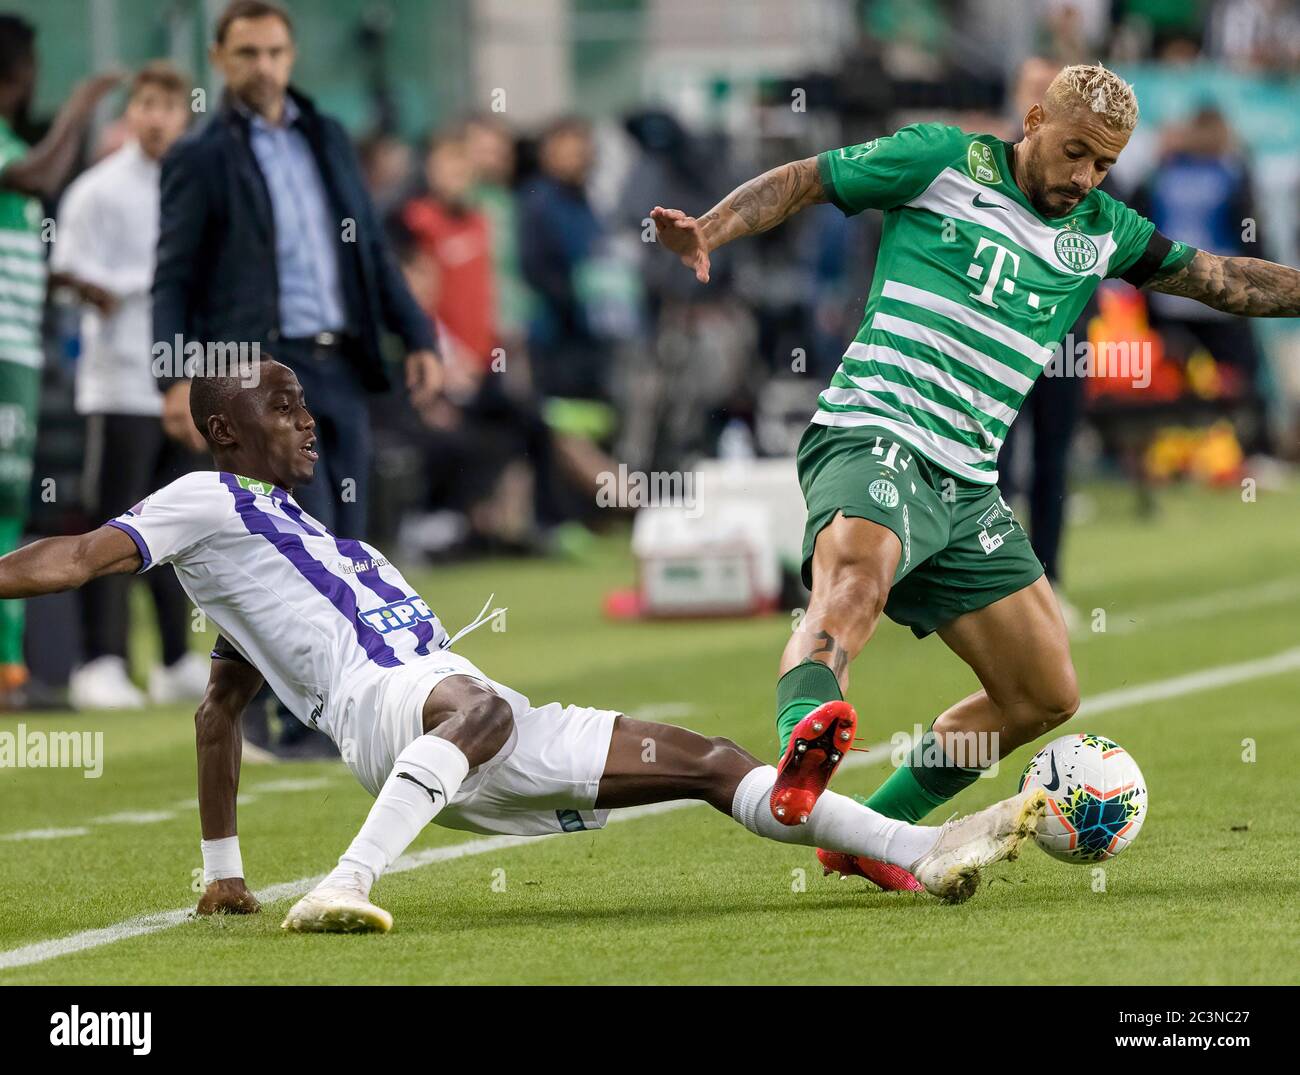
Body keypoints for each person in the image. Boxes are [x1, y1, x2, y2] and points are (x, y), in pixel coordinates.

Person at [0, 357, 1047, 929]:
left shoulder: (299, 549)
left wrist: (221, 871)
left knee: (713, 762)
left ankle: (920, 846)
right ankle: (347, 883)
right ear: (224, 432)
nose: (306, 422)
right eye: (282, 407)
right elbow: (80, 554)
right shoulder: (203, 496)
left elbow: (219, 706)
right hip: (402, 704)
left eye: (306, 404)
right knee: (478, 703)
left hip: (469, 721)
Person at [650, 63, 1300, 890]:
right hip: (873, 429)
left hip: (966, 480)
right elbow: (806, 180)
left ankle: (862, 835)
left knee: (1042, 693)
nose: (1082, 178)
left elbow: (1224, 279)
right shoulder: (940, 160)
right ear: (1032, 119)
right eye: (1072, 153)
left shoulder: (1105, 230)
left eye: (1103, 165)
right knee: (857, 578)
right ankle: (806, 729)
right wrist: (711, 226)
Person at [152, 0, 441, 539]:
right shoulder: (200, 156)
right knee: (304, 549)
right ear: (218, 58)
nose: (263, 65)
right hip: (259, 375)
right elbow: (172, 278)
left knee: (351, 541)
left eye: (275, 52)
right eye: (247, 53)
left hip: (340, 366)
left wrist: (419, 336)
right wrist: (171, 376)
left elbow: (371, 251)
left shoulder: (327, 136)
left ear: (292, 56)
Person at [50, 61, 209, 709]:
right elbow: (65, 268)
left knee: (181, 528)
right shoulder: (97, 189)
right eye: (144, 104)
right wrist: (105, 291)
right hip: (118, 384)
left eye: (168, 106)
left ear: (185, 115)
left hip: (185, 384)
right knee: (114, 525)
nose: (155, 117)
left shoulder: (199, 186)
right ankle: (101, 660)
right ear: (132, 111)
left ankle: (174, 658)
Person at [0, 14, 120, 707]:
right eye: (29, 71)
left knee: (10, 504)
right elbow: (39, 174)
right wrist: (79, 107)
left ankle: (10, 668)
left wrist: (67, 283)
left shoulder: (13, 141)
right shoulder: (15, 151)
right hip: (4, 353)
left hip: (18, 347)